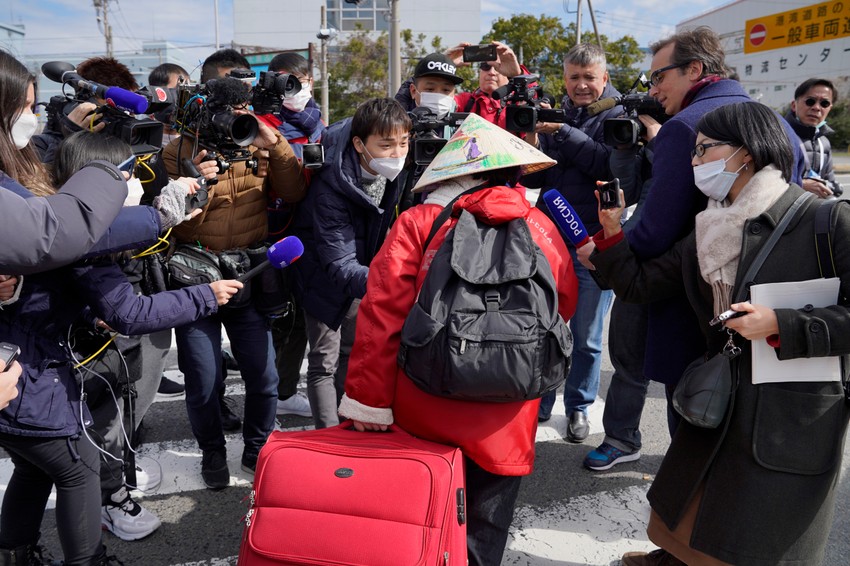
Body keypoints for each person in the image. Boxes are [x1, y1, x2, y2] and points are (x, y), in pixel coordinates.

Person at [0, 54, 243, 565]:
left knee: (33, 465)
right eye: (24, 107)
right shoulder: (71, 233)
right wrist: (205, 293)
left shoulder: (37, 197)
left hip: (24, 372)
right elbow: (128, 311)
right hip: (33, 376)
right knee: (78, 468)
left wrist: (152, 215)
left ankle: (16, 550)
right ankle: (86, 559)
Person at [589, 101, 850, 566]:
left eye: (704, 149)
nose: (695, 161)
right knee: (692, 521)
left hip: (791, 415)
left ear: (745, 153)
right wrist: (612, 233)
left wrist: (782, 324)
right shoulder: (708, 229)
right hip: (719, 401)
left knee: (753, 539)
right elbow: (638, 286)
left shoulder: (826, 222)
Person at [338, 113, 578, 566]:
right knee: (485, 532)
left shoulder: (419, 221)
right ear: (511, 173)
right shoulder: (541, 226)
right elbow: (563, 305)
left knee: (421, 524)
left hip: (424, 400)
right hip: (507, 409)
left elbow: (382, 314)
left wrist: (367, 401)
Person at [577, 26, 807, 469]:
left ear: (695, 69)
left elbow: (655, 230)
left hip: (686, 298)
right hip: (760, 302)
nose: (653, 89)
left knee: (693, 412)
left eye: (659, 77)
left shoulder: (685, 127)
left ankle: (682, 518)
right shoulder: (776, 121)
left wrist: (610, 254)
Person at [163, 48, 307, 488]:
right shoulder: (178, 150)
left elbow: (295, 193)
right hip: (196, 276)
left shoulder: (261, 140)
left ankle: (256, 446)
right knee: (203, 377)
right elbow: (174, 221)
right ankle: (210, 452)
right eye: (226, 105)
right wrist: (196, 183)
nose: (235, 115)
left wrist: (276, 146)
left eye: (242, 103)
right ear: (204, 99)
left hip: (248, 272)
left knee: (263, 375)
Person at [521, 43, 621, 441]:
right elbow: (533, 180)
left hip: (593, 242)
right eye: (573, 78)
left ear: (604, 79)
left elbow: (605, 165)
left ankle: (579, 406)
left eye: (589, 78)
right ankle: (542, 399)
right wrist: (530, 143)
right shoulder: (551, 117)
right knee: (545, 326)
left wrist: (562, 132)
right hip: (548, 240)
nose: (581, 85)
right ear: (564, 79)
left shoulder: (618, 116)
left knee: (588, 336)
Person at [292, 98, 411, 429]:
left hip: (363, 272)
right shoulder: (331, 185)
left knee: (352, 352)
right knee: (324, 361)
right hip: (322, 274)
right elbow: (337, 261)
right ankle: (328, 436)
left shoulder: (395, 169)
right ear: (360, 144)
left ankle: (349, 424)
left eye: (403, 142)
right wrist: (391, 283)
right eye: (386, 145)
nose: (397, 153)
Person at [259, 51, 323, 420]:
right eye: (285, 82)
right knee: (273, 317)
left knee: (299, 316)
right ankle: (267, 395)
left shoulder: (317, 123)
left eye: (298, 81)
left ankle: (284, 391)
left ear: (310, 81)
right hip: (270, 228)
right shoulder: (260, 124)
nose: (293, 89)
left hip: (310, 229)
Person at [785, 78, 843, 199]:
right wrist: (801, 185)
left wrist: (828, 186)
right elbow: (760, 181)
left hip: (812, 211)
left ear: (829, 108)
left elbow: (830, 180)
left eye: (824, 103)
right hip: (780, 214)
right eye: (810, 101)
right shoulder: (778, 135)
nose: (816, 107)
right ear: (794, 105)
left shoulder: (824, 142)